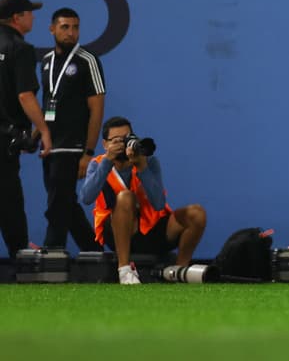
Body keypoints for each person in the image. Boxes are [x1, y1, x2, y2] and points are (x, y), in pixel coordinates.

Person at [79, 115, 207, 285]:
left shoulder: (148, 162)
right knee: (125, 197)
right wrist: (108, 161)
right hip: (119, 231)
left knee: (196, 213)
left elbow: (159, 203)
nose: (121, 145)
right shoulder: (98, 164)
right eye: (116, 140)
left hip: (153, 228)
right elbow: (86, 198)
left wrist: (142, 168)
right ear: (105, 144)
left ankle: (178, 270)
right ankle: (124, 270)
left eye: (126, 139)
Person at [39, 7, 104, 252]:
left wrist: (88, 152)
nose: (71, 33)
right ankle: (93, 251)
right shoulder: (46, 62)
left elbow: (97, 108)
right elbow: (48, 103)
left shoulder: (88, 61)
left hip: (73, 144)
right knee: (64, 200)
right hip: (50, 144)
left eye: (75, 27)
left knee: (57, 202)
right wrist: (37, 134)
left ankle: (52, 251)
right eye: (65, 27)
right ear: (52, 28)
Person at [0, 0, 51, 262]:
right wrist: (42, 130)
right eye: (29, 12)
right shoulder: (20, 49)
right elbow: (25, 95)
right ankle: (20, 251)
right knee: (9, 197)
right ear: (17, 18)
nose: (33, 16)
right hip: (5, 139)